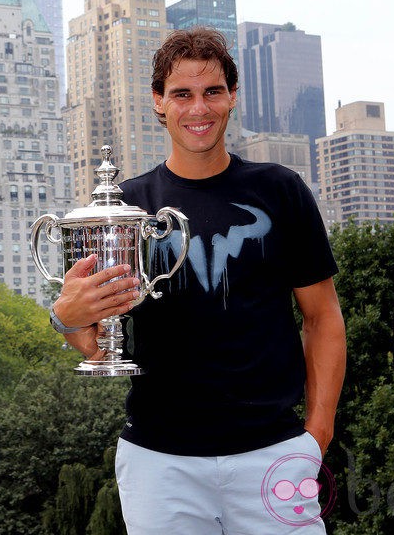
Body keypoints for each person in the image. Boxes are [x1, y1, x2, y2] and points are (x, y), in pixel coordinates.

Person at [48, 27, 346, 534]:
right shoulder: (123, 208)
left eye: (212, 92)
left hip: (273, 452)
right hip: (160, 462)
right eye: (182, 94)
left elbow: (322, 319)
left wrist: (315, 435)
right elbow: (99, 348)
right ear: (158, 103)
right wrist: (64, 319)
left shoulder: (280, 189)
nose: (198, 109)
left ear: (232, 96)